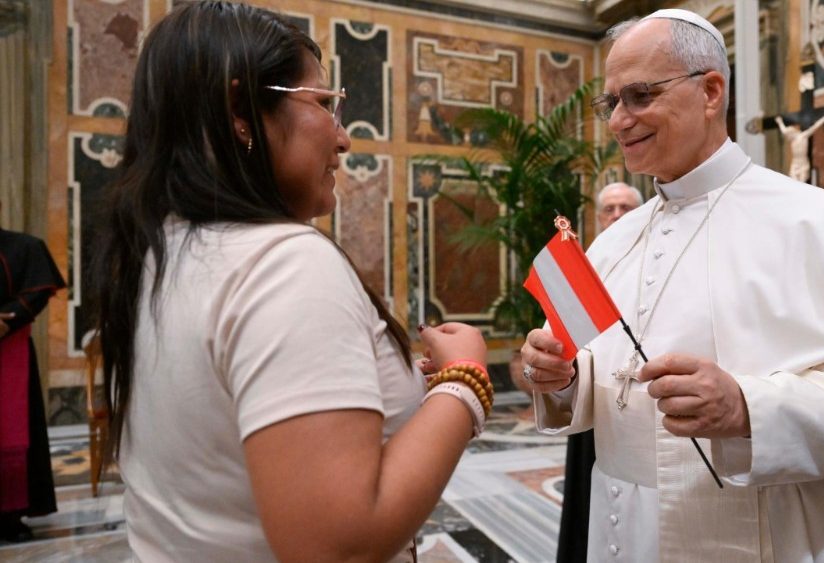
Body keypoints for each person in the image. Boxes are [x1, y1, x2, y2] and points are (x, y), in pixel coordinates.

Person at [520, 9, 824, 562]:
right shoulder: (611, 243)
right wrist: (561, 377)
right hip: (622, 531)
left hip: (772, 535)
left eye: (639, 96)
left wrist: (747, 408)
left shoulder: (815, 220)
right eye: (610, 102)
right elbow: (602, 379)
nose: (617, 120)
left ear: (711, 91)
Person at [90, 2, 490, 560]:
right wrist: (465, 382)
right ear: (239, 109)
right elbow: (337, 545)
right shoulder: (282, 264)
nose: (344, 138)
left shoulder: (158, 253)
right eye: (325, 104)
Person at [557, 181, 644, 562]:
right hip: (592, 403)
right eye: (609, 208)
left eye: (625, 207)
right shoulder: (587, 261)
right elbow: (561, 337)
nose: (617, 215)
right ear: (597, 216)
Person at [0, 204, 65, 543]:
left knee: (12, 432)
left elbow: (37, 291)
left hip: (8, 354)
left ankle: (10, 515)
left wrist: (6, 319)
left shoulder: (24, 247)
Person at [774, 107, 824, 183]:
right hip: (795, 163)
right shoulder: (792, 139)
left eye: (788, 135)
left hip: (803, 163)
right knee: (793, 182)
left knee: (802, 184)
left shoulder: (803, 136)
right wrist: (780, 122)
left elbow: (816, 126)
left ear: (792, 132)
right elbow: (783, 131)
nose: (787, 137)